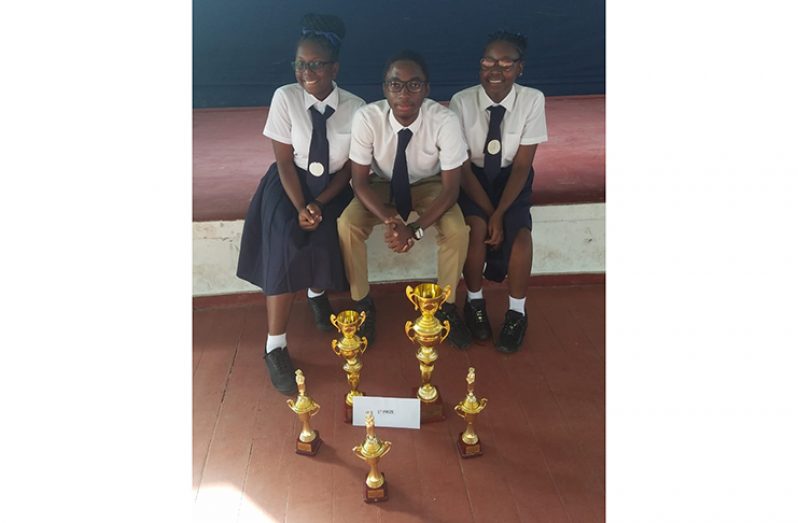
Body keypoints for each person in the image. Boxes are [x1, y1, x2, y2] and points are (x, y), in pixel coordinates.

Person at [237, 14, 365, 395]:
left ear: (334, 67)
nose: (306, 71)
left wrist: (321, 203)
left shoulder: (357, 108)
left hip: (332, 187)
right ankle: (274, 345)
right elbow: (282, 158)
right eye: (300, 64)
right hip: (289, 182)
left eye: (316, 64)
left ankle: (315, 295)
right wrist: (301, 206)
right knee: (285, 239)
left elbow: (351, 170)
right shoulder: (285, 97)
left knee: (327, 235)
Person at [337, 50, 472, 349]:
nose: (404, 93)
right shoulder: (368, 117)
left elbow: (451, 189)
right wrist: (390, 219)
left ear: (427, 88)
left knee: (457, 231)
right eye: (395, 85)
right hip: (380, 184)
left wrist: (416, 228)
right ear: (384, 89)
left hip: (430, 184)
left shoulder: (444, 120)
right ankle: (361, 303)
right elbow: (359, 181)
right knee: (347, 223)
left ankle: (445, 305)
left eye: (414, 85)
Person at [449, 31, 548, 353]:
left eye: (506, 64)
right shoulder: (462, 102)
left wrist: (501, 212)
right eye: (488, 62)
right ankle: (474, 303)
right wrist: (489, 212)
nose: (495, 70)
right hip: (474, 178)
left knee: (520, 237)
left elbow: (522, 166)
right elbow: (461, 165)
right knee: (475, 229)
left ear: (520, 68)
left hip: (511, 180)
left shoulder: (532, 100)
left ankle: (517, 312)